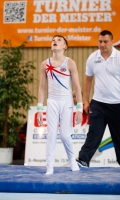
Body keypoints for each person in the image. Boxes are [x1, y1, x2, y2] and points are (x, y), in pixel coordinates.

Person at [76, 30, 120, 168]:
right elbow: (88, 79)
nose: (102, 44)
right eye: (100, 41)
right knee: (94, 133)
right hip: (98, 103)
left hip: (117, 104)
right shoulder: (92, 58)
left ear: (112, 42)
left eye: (105, 41)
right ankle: (83, 160)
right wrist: (86, 100)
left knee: (119, 137)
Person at [37, 35, 83, 175]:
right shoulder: (45, 64)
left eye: (59, 40)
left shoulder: (70, 63)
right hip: (52, 102)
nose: (54, 41)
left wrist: (79, 108)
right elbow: (41, 87)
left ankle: (72, 161)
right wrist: (39, 108)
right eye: (53, 40)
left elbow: (77, 87)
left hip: (66, 102)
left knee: (64, 135)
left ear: (65, 46)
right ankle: (49, 167)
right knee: (51, 135)